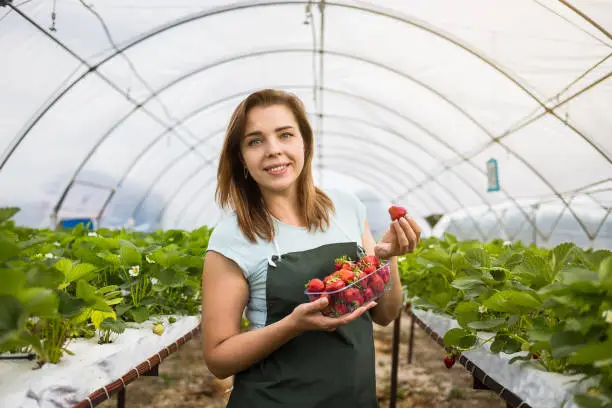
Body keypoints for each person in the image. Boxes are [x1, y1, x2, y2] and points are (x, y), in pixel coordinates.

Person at [201, 89, 421, 408]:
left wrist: (386, 259)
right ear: (242, 158)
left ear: (304, 142)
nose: (274, 150)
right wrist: (293, 325)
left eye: (285, 135)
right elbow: (218, 359)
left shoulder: (347, 209)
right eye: (255, 141)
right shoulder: (232, 237)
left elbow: (385, 315)